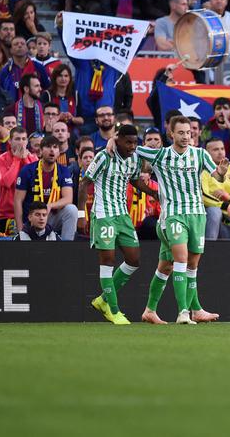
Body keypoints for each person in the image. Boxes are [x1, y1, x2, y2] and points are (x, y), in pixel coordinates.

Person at [111, 116, 229, 324]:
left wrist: (221, 173)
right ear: (171, 134)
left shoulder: (200, 154)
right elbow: (130, 147)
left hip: (197, 215)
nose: (186, 136)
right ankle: (184, 312)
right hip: (172, 216)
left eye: (189, 133)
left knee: (171, 266)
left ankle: (153, 310)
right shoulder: (160, 155)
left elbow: (217, 177)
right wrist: (113, 139)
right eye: (181, 132)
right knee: (182, 260)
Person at [79, 125, 157, 325]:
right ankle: (113, 310)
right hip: (103, 214)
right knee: (108, 259)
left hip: (122, 215)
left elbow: (134, 180)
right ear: (118, 140)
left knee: (134, 259)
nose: (132, 146)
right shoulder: (103, 156)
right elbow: (84, 183)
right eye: (128, 142)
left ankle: (103, 300)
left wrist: (154, 193)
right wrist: (81, 214)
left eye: (135, 142)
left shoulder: (134, 159)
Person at [14, 135, 77, 240]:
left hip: (50, 216)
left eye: (55, 147)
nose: (52, 150)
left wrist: (50, 206)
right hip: (31, 218)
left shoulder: (63, 171)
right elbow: (17, 201)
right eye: (48, 147)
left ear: (59, 152)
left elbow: (68, 198)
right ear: (41, 151)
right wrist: (21, 231)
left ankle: (67, 249)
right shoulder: (27, 170)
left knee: (72, 210)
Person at [0, 126, 37, 235]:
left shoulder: (33, 159)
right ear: (10, 141)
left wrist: (24, 159)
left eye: (24, 139)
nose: (21, 142)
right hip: (6, 215)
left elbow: (35, 182)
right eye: (17, 139)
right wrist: (17, 160)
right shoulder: (0, 160)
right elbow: (5, 183)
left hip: (30, 213)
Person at [0, 36, 49, 102]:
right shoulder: (5, 71)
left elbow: (47, 88)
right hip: (12, 109)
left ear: (27, 49)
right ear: (10, 50)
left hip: (35, 108)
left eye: (22, 44)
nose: (19, 45)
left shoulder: (38, 67)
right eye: (16, 44)